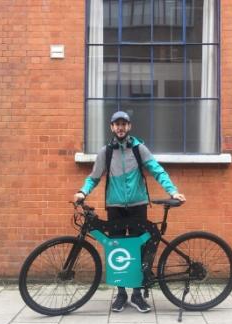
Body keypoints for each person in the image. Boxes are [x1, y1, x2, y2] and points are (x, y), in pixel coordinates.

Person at [74, 111, 186, 313]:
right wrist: (83, 191)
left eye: (123, 124)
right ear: (111, 128)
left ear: (129, 126)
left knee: (139, 250)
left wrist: (173, 191)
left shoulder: (139, 149)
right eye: (116, 124)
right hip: (115, 208)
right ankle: (121, 293)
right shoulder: (105, 152)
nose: (120, 128)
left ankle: (136, 294)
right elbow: (93, 177)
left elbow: (157, 170)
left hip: (138, 206)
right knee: (117, 249)